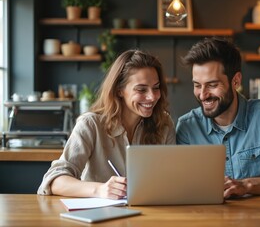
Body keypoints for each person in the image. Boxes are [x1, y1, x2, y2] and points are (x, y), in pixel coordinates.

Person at [176, 37, 260, 198]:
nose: (202, 95)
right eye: (197, 85)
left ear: (235, 81)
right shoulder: (186, 127)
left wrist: (247, 185)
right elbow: (180, 185)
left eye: (212, 85)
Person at [38, 50, 176, 199]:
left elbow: (174, 178)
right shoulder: (91, 124)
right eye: (141, 89)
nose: (152, 96)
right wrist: (100, 190)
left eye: (156, 88)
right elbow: (54, 181)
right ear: (119, 91)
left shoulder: (164, 123)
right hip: (98, 217)